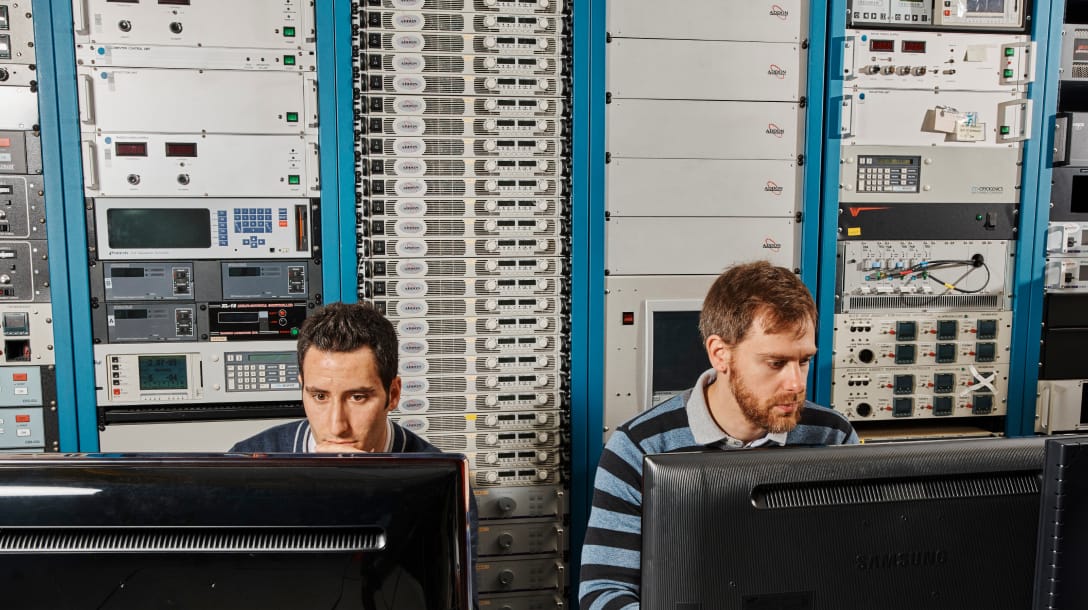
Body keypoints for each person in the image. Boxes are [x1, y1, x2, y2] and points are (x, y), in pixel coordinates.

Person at [578, 261, 858, 610]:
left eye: (804, 361)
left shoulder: (832, 437)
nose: (796, 384)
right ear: (720, 354)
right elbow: (603, 591)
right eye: (776, 363)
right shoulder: (639, 447)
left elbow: (857, 571)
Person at [231, 301, 478, 607]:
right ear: (302, 388)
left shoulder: (441, 486)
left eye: (358, 397)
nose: (337, 425)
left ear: (394, 394)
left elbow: (449, 600)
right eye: (319, 396)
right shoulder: (246, 466)